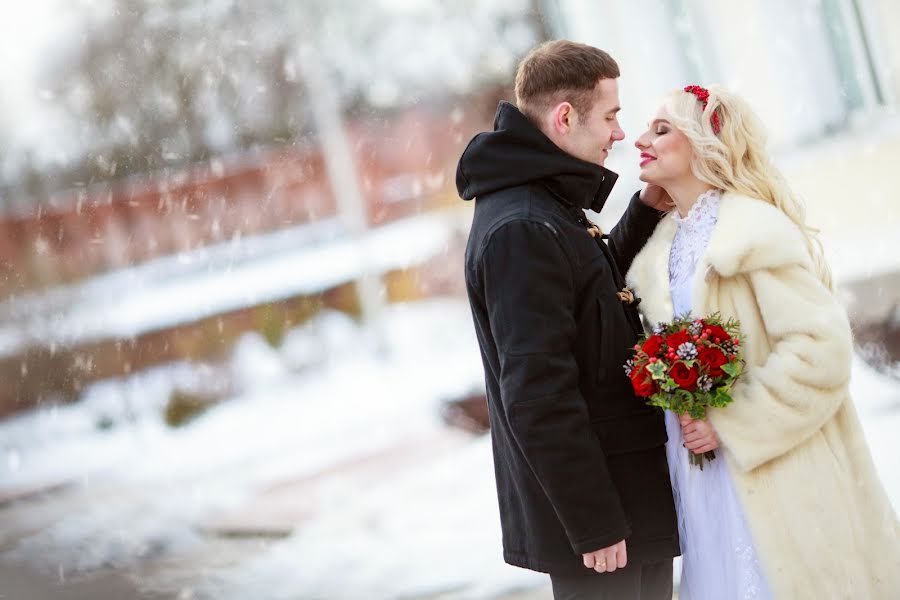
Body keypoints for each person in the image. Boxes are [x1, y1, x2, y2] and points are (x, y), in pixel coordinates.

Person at [627, 84, 900, 599]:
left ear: (704, 145)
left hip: (779, 474)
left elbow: (821, 350)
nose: (641, 139)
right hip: (701, 479)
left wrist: (730, 422)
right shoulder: (661, 248)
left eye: (662, 130)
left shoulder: (752, 232)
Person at [457, 40, 680, 599]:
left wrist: (644, 211)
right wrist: (595, 522)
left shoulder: (540, 205)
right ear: (564, 117)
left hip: (619, 505)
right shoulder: (523, 227)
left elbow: (592, 295)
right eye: (611, 115)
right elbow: (537, 392)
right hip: (607, 526)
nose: (620, 133)